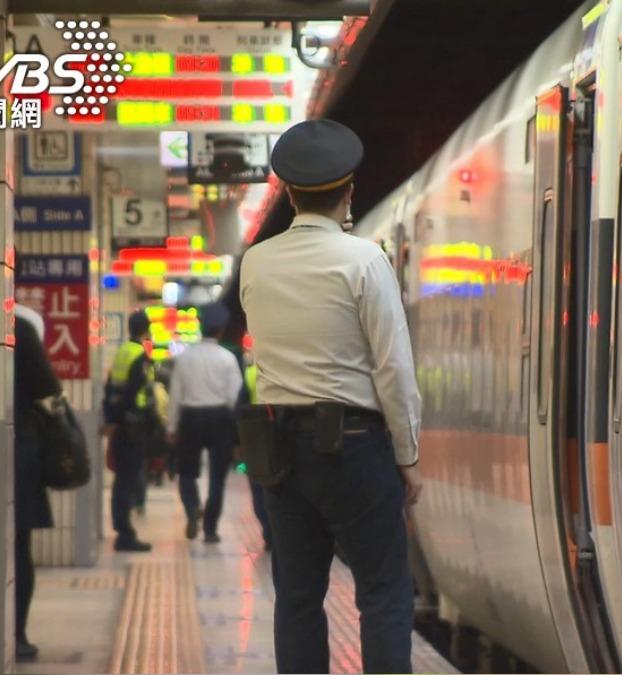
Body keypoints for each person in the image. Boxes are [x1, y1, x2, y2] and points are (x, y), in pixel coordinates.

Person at [239, 118, 423, 674]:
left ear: (290, 193)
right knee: (384, 594)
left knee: (297, 598)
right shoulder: (363, 260)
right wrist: (407, 456)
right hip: (355, 445)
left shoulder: (256, 261)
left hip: (279, 451)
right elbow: (393, 366)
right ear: (348, 190)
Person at [167, 303, 243, 543]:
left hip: (190, 418)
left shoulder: (185, 358)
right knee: (217, 477)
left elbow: (175, 396)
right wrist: (237, 433)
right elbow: (235, 397)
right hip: (219, 418)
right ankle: (210, 529)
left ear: (200, 327)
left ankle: (192, 508)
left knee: (187, 472)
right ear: (220, 330)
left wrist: (171, 427)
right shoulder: (228, 359)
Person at [12, 308, 61, 661]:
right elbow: (47, 386)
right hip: (19, 449)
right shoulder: (21, 325)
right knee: (18, 545)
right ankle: (16, 634)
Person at [101, 310, 156, 552]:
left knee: (121, 479)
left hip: (121, 425)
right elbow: (134, 392)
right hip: (133, 425)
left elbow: (110, 387)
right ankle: (124, 534)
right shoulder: (140, 356)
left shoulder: (122, 353)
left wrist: (111, 419)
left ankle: (121, 528)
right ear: (146, 330)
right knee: (128, 479)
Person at [241, 357, 273, 550]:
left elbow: (241, 407)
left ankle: (269, 532)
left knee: (259, 486)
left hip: (257, 435)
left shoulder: (250, 373)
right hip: (285, 432)